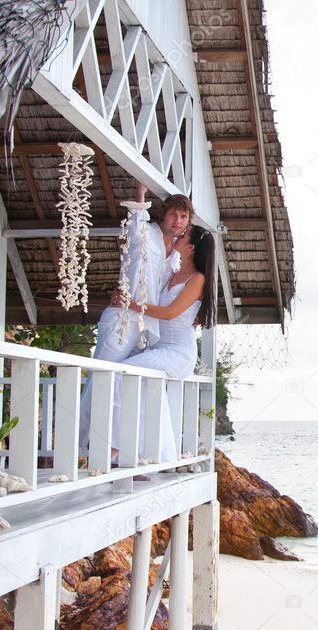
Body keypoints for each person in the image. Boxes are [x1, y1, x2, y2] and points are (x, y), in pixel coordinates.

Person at [78, 183, 194, 451]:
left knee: (130, 386)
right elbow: (135, 223)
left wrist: (193, 314)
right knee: (103, 379)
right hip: (122, 320)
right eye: (174, 215)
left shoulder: (177, 258)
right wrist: (141, 193)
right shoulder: (146, 234)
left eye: (183, 217)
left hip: (147, 331)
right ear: (163, 216)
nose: (178, 221)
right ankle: (86, 445)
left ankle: (124, 449)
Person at [109, 224, 217, 462]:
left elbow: (169, 313)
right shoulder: (173, 272)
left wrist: (131, 305)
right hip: (159, 347)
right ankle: (145, 454)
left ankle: (116, 448)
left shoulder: (197, 279)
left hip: (178, 353)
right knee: (144, 393)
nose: (179, 233)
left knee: (121, 374)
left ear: (190, 247)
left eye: (185, 235)